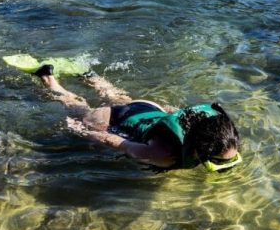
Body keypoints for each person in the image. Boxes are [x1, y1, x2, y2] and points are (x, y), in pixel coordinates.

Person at [31, 64, 242, 172]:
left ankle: (88, 74)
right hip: (113, 118)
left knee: (117, 96)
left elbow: (175, 113)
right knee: (76, 108)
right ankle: (48, 78)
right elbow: (116, 142)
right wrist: (82, 131)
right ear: (199, 151)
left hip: (148, 107)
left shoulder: (211, 131)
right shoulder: (162, 154)